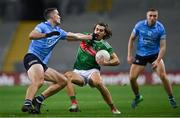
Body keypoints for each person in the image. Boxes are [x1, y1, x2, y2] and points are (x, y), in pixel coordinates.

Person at [21, 7, 96, 114]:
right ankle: (27, 103)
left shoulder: (58, 31)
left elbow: (75, 36)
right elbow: (31, 35)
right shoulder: (42, 26)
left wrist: (91, 37)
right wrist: (46, 35)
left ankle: (38, 100)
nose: (60, 16)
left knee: (63, 81)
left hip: (41, 63)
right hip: (32, 57)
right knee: (39, 81)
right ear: (52, 16)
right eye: (58, 14)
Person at [65, 22, 121, 114]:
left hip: (92, 71)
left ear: (104, 33)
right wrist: (71, 36)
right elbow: (70, 38)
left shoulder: (105, 45)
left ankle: (113, 108)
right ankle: (74, 104)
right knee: (66, 76)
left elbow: (117, 60)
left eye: (101, 30)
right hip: (78, 71)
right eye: (97, 29)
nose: (98, 31)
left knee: (99, 83)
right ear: (94, 30)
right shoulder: (86, 36)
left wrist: (106, 63)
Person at [127, 8, 177, 109]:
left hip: (155, 55)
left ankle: (171, 98)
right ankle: (138, 97)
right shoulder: (139, 25)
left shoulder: (160, 28)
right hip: (141, 55)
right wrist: (129, 55)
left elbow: (163, 46)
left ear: (157, 17)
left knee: (163, 76)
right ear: (147, 16)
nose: (152, 18)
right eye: (150, 15)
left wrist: (158, 60)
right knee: (132, 78)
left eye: (155, 16)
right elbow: (131, 39)